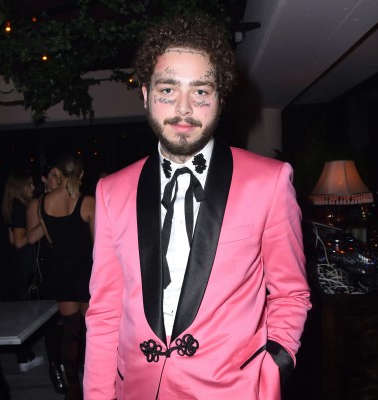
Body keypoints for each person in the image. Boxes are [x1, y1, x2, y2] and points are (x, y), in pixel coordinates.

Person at [84, 13, 311, 400]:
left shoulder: (269, 182)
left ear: (220, 98)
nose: (185, 108)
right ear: (146, 94)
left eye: (201, 91)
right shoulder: (111, 191)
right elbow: (105, 312)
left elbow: (290, 293)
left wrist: (274, 367)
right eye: (168, 90)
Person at [27, 153, 95, 400]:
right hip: (86, 273)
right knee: (91, 332)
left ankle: (73, 386)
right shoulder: (87, 201)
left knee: (70, 332)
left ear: (59, 173)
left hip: (61, 273)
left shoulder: (43, 202)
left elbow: (50, 240)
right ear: (81, 174)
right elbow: (98, 245)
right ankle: (94, 381)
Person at [26, 165, 67, 394]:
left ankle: (73, 363)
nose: (57, 179)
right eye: (53, 175)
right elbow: (31, 238)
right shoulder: (37, 203)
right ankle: (55, 366)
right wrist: (47, 217)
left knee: (73, 320)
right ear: (43, 179)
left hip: (69, 265)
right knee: (54, 321)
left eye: (60, 175)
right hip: (48, 267)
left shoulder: (69, 199)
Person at [1, 169, 44, 372]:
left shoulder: (11, 206)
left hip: (13, 266)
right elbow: (18, 242)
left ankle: (24, 357)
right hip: (21, 266)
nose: (33, 187)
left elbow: (12, 239)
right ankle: (24, 359)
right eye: (29, 183)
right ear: (21, 187)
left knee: (20, 314)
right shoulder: (19, 207)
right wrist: (43, 225)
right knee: (25, 315)